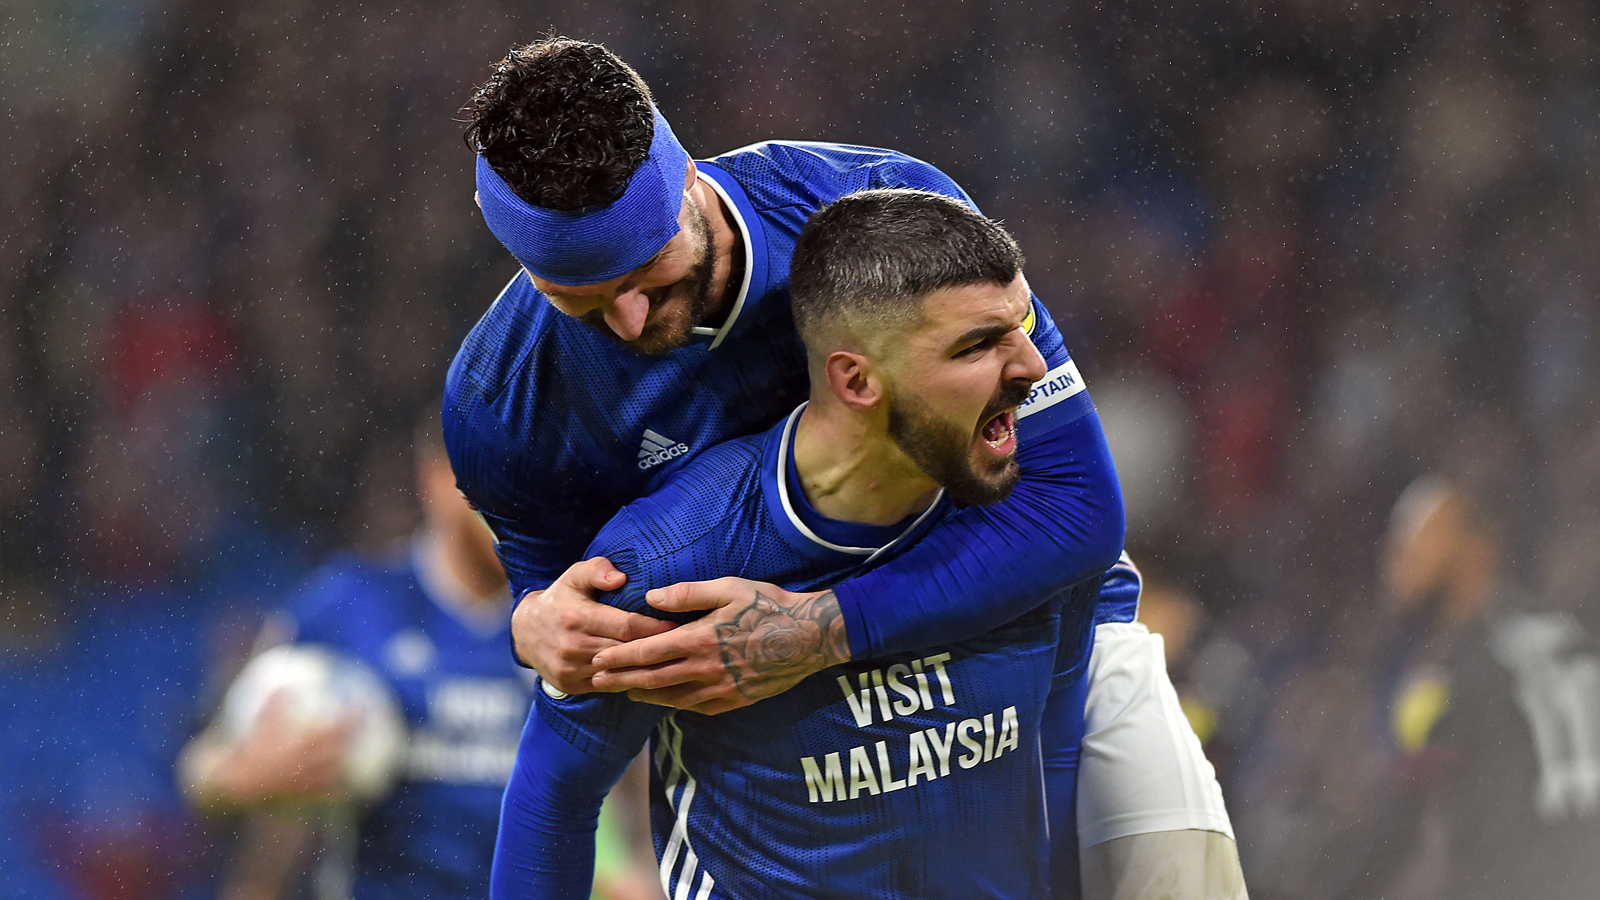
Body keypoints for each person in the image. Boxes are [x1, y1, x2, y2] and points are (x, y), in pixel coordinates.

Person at [446, 37, 1239, 894]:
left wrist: (823, 628)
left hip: (1032, 631)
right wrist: (535, 621)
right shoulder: (503, 403)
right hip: (779, 733)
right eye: (582, 301)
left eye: (646, 273)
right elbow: (561, 662)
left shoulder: (876, 211)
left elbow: (1075, 507)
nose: (633, 323)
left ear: (684, 178)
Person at [494, 189, 1107, 900]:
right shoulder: (668, 567)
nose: (1034, 366)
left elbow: (1054, 752)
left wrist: (826, 631)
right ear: (857, 380)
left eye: (1023, 323)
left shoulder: (1027, 532)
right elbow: (551, 802)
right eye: (975, 344)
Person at [178, 411, 660, 900]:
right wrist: (245, 775)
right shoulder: (348, 604)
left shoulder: (576, 621)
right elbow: (204, 767)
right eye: (496, 481)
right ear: (436, 479)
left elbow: (629, 807)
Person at [1338, 476, 1600, 900]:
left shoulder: (1453, 678)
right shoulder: (1562, 633)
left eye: (1413, 544)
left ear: (1479, 548)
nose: (1396, 563)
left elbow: (1397, 831)